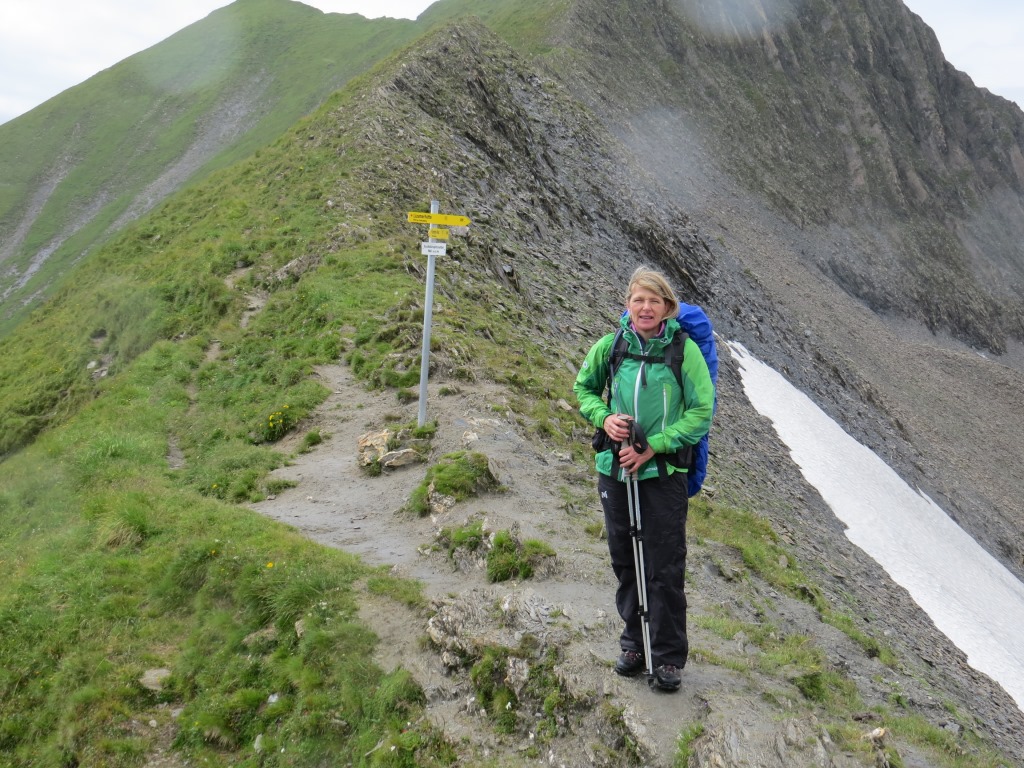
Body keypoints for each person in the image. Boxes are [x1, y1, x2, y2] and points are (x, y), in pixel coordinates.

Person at [573, 266, 715, 692]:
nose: (646, 307)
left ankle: (668, 657)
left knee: (664, 563)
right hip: (614, 471)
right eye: (639, 300)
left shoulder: (683, 351)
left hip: (663, 473)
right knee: (624, 558)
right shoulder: (611, 346)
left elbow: (701, 412)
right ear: (628, 305)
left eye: (655, 301)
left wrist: (654, 445)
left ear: (668, 308)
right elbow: (583, 389)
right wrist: (606, 417)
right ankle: (634, 643)